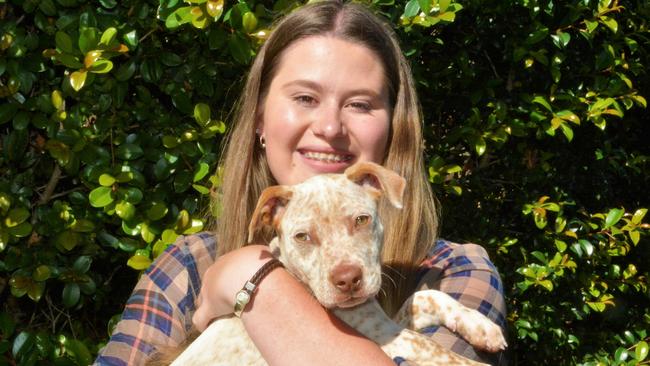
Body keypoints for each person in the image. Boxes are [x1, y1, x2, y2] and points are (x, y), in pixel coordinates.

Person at [94, 1, 507, 365]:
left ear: (393, 127)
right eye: (305, 98)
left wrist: (252, 284)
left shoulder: (450, 271)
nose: (329, 127)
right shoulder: (189, 266)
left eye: (360, 104)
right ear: (259, 118)